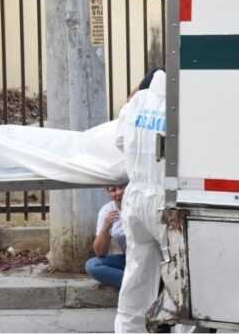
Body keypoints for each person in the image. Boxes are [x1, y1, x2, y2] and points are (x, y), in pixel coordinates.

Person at [114, 68, 167, 333]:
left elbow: (120, 140)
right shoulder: (182, 102)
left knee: (136, 279)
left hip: (135, 199)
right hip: (167, 202)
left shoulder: (136, 102)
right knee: (182, 281)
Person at [85, 185, 127, 289]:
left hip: (149, 259)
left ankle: (140, 283)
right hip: (128, 259)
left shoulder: (142, 205)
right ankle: (139, 284)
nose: (118, 192)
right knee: (93, 265)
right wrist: (105, 227)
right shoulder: (108, 210)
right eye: (113, 190)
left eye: (122, 187)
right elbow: (100, 252)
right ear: (108, 194)